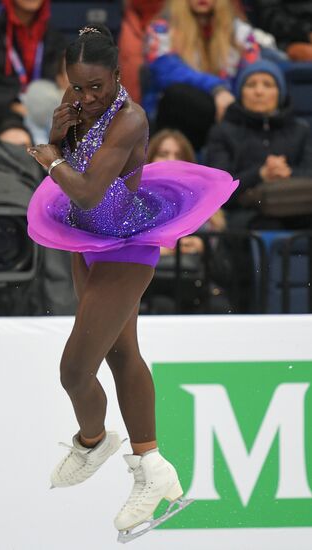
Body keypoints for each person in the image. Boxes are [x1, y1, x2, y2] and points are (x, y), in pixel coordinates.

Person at [26, 25, 237, 541]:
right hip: (88, 244)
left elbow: (91, 192)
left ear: (117, 77)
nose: (87, 98)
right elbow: (68, 180)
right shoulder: (75, 111)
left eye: (96, 87)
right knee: (122, 355)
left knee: (75, 371)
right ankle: (152, 466)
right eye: (76, 87)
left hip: (125, 245)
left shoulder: (131, 120)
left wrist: (48, 155)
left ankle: (93, 440)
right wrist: (58, 137)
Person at [206, 59, 312, 229]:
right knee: (265, 226)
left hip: (298, 208)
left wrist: (287, 172)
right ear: (241, 92)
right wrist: (260, 174)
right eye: (251, 84)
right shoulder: (223, 132)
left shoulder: (301, 130)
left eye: (268, 85)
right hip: (246, 213)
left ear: (280, 93)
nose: (259, 91)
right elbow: (218, 188)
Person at [144, 0, 260, 150]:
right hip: (174, 116)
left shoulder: (241, 33)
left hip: (227, 114)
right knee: (178, 94)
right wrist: (217, 89)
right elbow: (167, 71)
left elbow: (251, 75)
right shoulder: (161, 30)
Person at [144, 129, 232, 314]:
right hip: (149, 287)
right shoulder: (133, 201)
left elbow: (226, 272)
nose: (171, 160)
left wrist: (203, 247)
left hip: (196, 288)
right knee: (162, 305)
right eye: (163, 153)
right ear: (149, 158)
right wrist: (156, 249)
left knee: (219, 307)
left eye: (178, 155)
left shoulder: (210, 210)